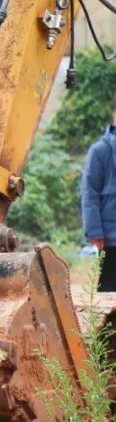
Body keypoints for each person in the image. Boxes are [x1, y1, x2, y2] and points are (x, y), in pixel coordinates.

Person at [81, 105, 116, 291]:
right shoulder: (100, 151)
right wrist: (94, 231)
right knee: (110, 293)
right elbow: (89, 192)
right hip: (112, 236)